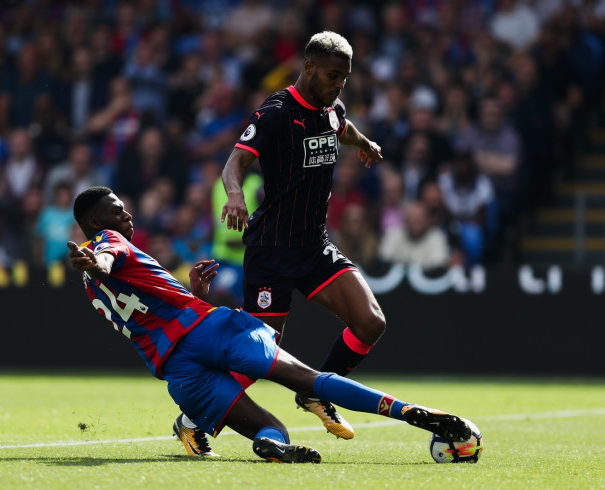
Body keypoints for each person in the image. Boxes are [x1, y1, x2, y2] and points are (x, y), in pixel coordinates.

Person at [67, 186, 472, 463]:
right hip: (210, 333)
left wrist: (193, 294)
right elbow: (106, 256)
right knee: (308, 379)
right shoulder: (107, 243)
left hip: (178, 372)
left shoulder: (90, 286)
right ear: (92, 222)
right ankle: (411, 412)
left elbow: (145, 313)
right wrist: (98, 260)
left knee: (273, 428)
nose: (126, 215)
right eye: (116, 211)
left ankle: (271, 447)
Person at [220, 31, 386, 439]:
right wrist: (236, 197)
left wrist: (363, 142)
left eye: (344, 78)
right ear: (309, 67)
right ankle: (194, 419)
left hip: (313, 247)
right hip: (271, 251)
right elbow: (235, 162)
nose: (338, 85)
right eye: (332, 75)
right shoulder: (277, 111)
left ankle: (316, 391)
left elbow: (340, 127)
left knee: (370, 321)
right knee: (255, 360)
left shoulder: (332, 108)